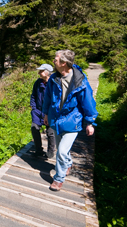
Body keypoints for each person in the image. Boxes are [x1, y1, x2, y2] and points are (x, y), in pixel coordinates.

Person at [43, 50, 98, 191]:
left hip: (72, 121)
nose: (53, 61)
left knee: (61, 151)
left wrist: (90, 122)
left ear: (63, 63)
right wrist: (46, 114)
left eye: (56, 59)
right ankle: (67, 164)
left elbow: (88, 102)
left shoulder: (80, 81)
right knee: (63, 150)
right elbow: (47, 98)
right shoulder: (54, 79)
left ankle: (59, 178)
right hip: (55, 119)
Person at [30, 64, 56, 158]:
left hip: (50, 112)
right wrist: (34, 107)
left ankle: (50, 152)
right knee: (34, 128)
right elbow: (33, 95)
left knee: (50, 132)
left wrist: (50, 112)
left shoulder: (54, 83)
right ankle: (38, 150)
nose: (39, 73)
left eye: (41, 71)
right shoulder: (38, 82)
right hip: (37, 111)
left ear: (46, 72)